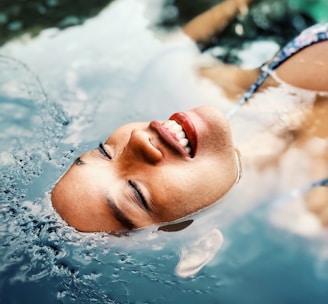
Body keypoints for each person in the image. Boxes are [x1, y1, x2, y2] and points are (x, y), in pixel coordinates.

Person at [51, 0, 328, 232]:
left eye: (104, 152)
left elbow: (180, 46)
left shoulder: (189, 81)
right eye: (135, 193)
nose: (136, 139)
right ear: (201, 246)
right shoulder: (315, 214)